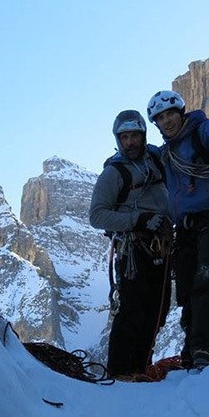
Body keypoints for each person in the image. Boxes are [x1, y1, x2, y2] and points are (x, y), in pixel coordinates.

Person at [146, 90, 209, 372]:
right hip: (185, 227)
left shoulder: (203, 136)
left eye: (170, 114)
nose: (167, 121)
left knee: (207, 275)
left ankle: (205, 351)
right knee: (187, 289)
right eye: (160, 118)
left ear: (181, 113)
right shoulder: (165, 155)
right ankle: (192, 351)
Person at [89, 110, 173, 380]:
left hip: (162, 245)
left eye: (134, 136)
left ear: (143, 136)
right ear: (118, 140)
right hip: (133, 248)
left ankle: (140, 367)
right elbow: (97, 215)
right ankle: (121, 371)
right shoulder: (114, 173)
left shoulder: (158, 160)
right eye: (124, 137)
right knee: (133, 309)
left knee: (157, 311)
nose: (130, 142)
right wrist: (139, 219)